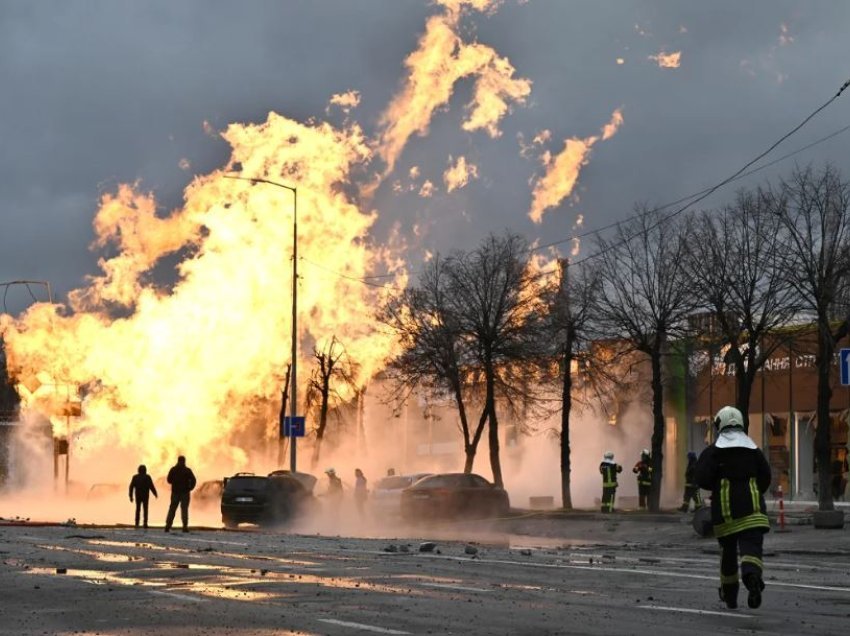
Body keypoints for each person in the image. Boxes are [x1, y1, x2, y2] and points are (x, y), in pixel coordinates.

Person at [695, 406, 771, 610]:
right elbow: (766, 478)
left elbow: (701, 478)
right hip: (754, 510)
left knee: (728, 554)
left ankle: (730, 596)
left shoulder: (713, 452)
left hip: (726, 514)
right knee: (752, 548)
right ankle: (752, 575)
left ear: (719, 425)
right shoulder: (754, 450)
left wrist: (717, 484)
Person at [164, 455, 197, 533]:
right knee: (184, 510)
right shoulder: (187, 470)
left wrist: (175, 483)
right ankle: (184, 527)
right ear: (184, 461)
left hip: (175, 492)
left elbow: (169, 480)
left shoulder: (173, 470)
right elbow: (193, 480)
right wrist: (190, 488)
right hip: (185, 493)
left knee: (172, 509)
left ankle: (168, 526)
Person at [128, 465, 158, 529]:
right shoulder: (147, 477)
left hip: (138, 496)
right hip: (145, 496)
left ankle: (137, 523)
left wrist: (130, 496)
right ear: (145, 470)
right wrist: (155, 493)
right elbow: (151, 486)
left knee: (138, 509)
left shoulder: (135, 477)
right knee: (145, 509)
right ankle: (145, 523)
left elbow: (131, 487)